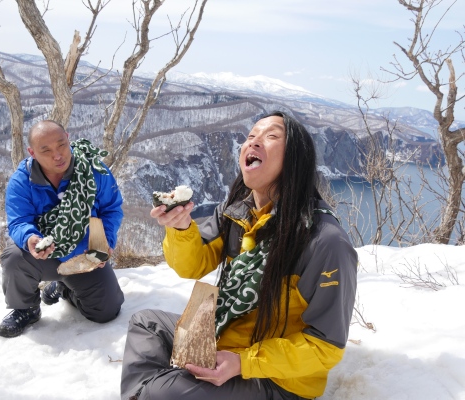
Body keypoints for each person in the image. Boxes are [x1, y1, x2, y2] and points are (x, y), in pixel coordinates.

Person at [120, 111, 358, 400]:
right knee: (147, 324)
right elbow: (192, 265)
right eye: (250, 136)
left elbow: (326, 347)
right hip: (226, 340)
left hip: (276, 380)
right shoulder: (237, 213)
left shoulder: (324, 242)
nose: (254, 142)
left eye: (271, 137)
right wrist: (181, 228)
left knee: (163, 392)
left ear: (296, 158)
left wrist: (244, 362)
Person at [0, 120, 124, 338]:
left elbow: (111, 209)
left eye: (62, 145)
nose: (58, 155)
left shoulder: (93, 170)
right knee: (14, 257)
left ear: (68, 138)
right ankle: (26, 308)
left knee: (106, 311)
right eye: (46, 150)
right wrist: (30, 238)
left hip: (84, 254)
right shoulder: (22, 180)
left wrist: (105, 242)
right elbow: (18, 222)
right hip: (44, 254)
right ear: (32, 152)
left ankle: (65, 289)